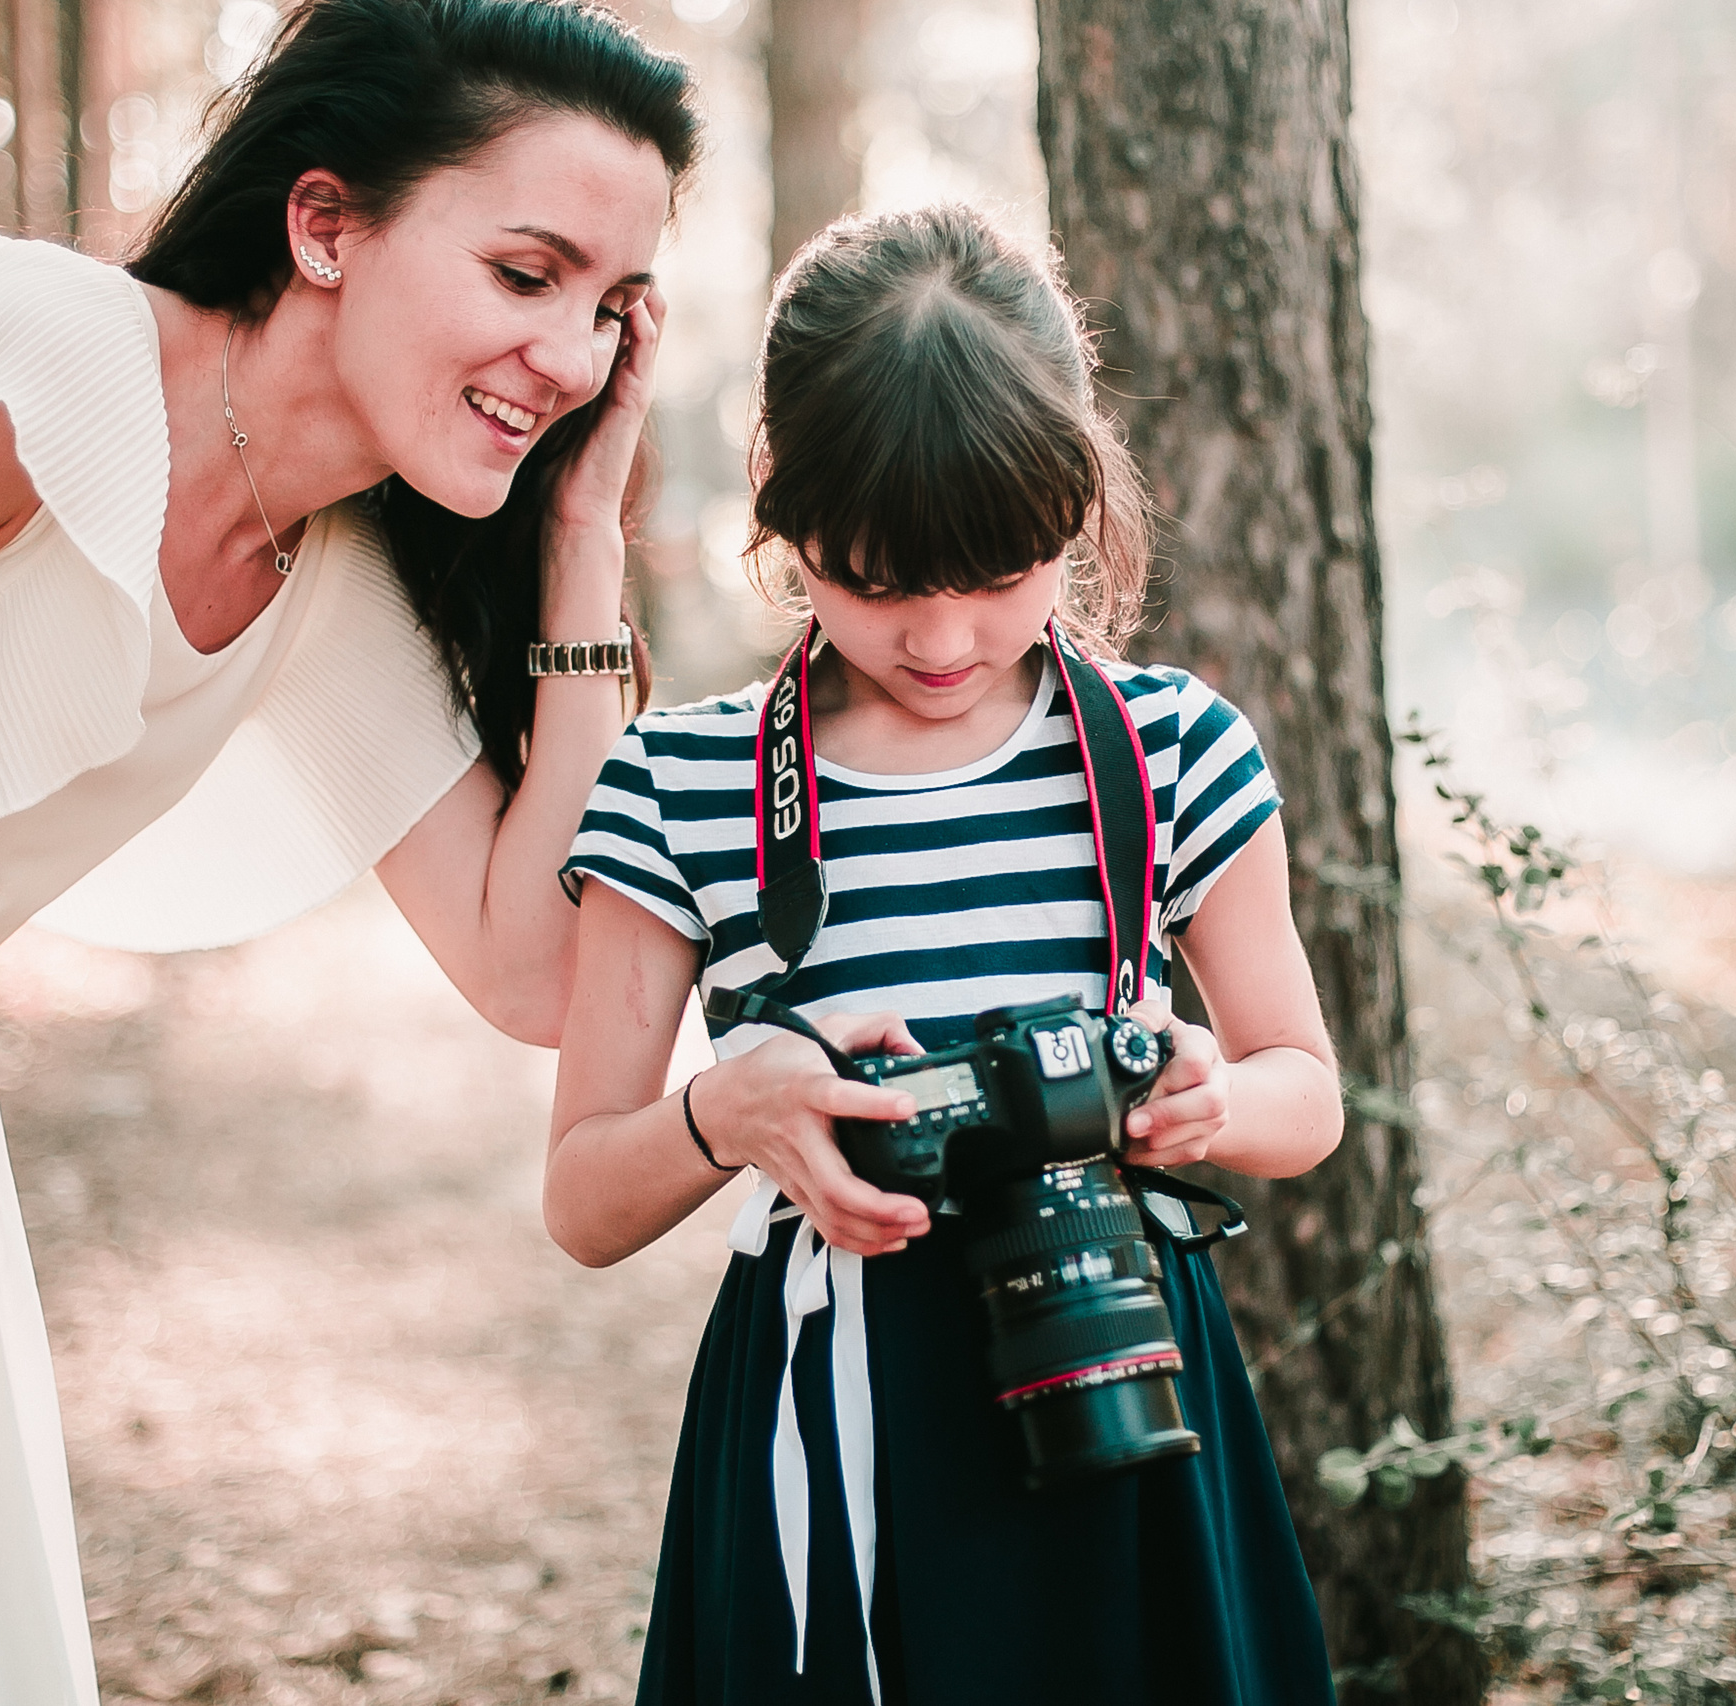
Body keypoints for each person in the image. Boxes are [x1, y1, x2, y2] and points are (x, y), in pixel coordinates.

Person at [0, 1, 699, 1699]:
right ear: (325, 225)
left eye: (612, 309)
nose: (570, 356)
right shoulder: (31, 361)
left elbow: (537, 972)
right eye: (527, 274)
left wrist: (582, 540)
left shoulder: (322, 580)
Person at [546, 205, 1342, 1705]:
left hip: (1118, 1367)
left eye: (999, 573)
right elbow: (583, 1201)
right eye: (876, 580)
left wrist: (1210, 1099)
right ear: (784, 516)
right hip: (831, 1414)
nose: (942, 639)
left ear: (1074, 502)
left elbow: (1307, 1092)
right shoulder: (679, 786)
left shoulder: (1171, 749)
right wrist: (731, 1111)